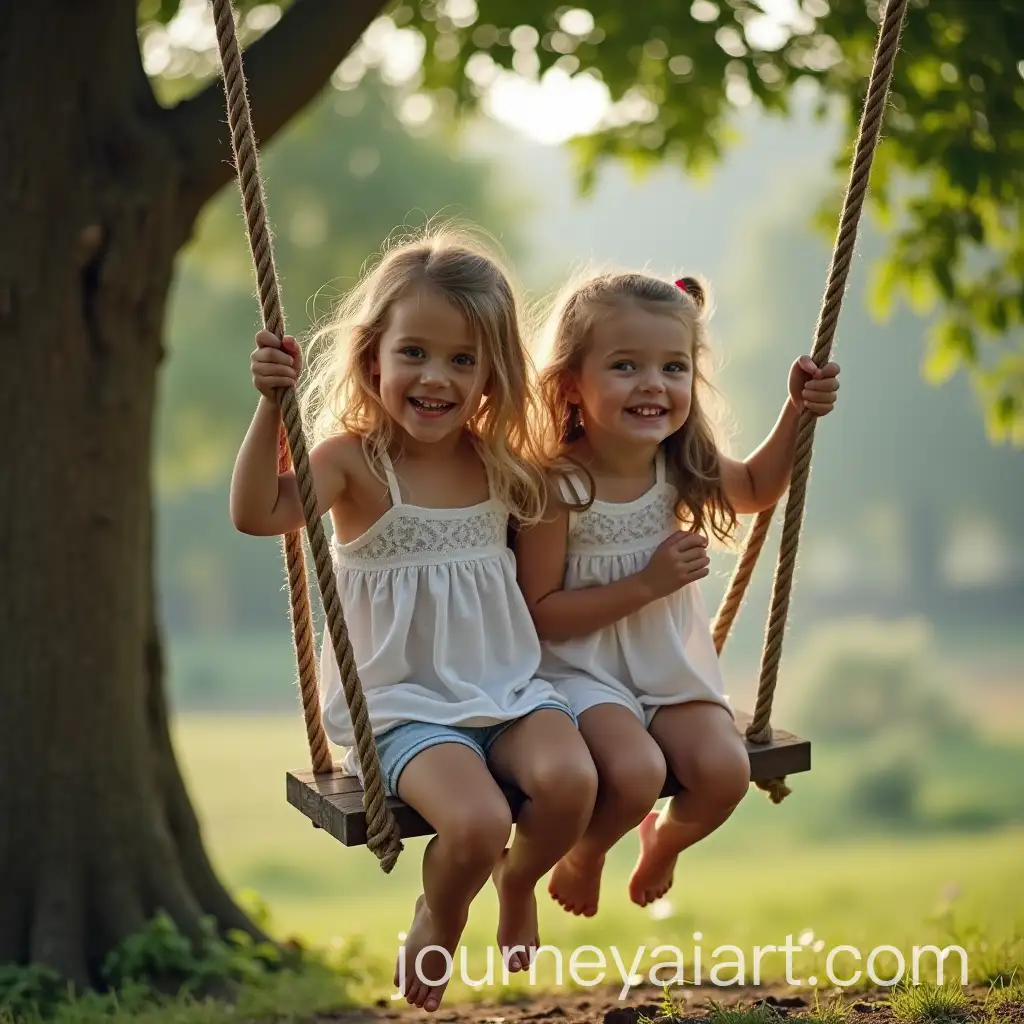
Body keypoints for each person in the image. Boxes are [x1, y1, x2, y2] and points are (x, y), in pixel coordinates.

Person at [229, 229, 598, 1012]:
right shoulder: (352, 461)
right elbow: (257, 513)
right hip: (403, 709)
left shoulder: (501, 460)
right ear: (373, 358)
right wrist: (271, 409)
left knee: (571, 782)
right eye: (416, 354)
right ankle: (441, 914)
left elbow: (594, 484)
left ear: (493, 373)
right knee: (475, 823)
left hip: (508, 690)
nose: (437, 378)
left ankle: (519, 882)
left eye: (463, 360)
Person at [514, 269, 840, 918]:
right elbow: (541, 615)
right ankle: (586, 852)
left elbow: (752, 489)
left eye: (673, 366)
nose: (653, 385)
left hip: (669, 667)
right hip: (579, 676)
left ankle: (663, 843)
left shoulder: (678, 463)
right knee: (633, 776)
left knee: (725, 774)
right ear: (572, 384)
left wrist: (796, 410)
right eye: (626, 366)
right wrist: (646, 584)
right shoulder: (559, 488)